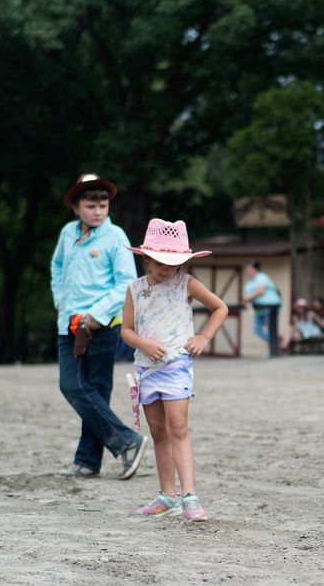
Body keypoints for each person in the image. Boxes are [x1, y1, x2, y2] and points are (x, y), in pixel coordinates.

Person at [121, 218, 228, 522]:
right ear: (146, 258)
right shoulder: (135, 289)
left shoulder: (187, 284)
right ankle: (166, 495)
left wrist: (204, 336)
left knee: (178, 427)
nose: (164, 268)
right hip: (146, 368)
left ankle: (189, 495)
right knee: (158, 433)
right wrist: (142, 342)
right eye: (157, 261)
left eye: (171, 262)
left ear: (182, 261)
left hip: (177, 365)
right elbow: (126, 331)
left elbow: (220, 308)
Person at [51, 173, 149, 480]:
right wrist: (58, 298)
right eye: (90, 205)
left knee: (96, 391)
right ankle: (126, 441)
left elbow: (125, 284)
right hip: (68, 322)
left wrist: (97, 314)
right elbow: (57, 267)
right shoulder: (68, 233)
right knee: (72, 385)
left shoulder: (116, 236)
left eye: (102, 205)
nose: (97, 211)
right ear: (76, 207)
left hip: (103, 326)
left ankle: (87, 461)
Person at [242, 260, 281, 349]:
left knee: (269, 329)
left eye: (249, 269)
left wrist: (249, 298)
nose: (248, 272)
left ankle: (274, 347)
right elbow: (246, 297)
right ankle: (276, 344)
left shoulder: (261, 277)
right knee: (257, 329)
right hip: (259, 309)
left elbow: (261, 290)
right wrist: (247, 301)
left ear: (255, 269)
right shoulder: (248, 283)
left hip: (270, 307)